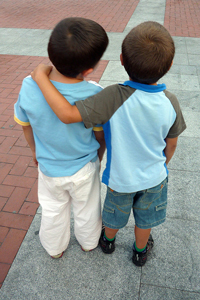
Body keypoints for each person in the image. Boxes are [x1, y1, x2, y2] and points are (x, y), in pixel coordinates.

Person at [31, 21, 186, 266]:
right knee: (145, 220)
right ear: (169, 65)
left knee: (114, 214)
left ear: (122, 60)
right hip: (154, 178)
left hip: (120, 179)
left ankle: (108, 241)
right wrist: (162, 164)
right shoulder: (171, 101)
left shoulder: (113, 96)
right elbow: (172, 143)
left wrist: (40, 77)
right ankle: (140, 250)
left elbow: (68, 114)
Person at [14, 17, 109, 258]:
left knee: (53, 210)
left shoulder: (29, 84)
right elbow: (100, 136)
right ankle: (88, 242)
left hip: (48, 167)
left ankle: (54, 249)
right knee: (87, 208)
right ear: (89, 69)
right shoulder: (95, 93)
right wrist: (98, 157)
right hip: (84, 166)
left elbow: (25, 126)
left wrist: (36, 151)